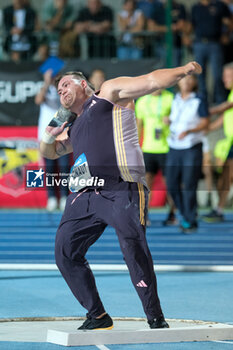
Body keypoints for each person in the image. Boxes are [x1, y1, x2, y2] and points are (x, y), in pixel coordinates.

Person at [40, 61, 202, 330]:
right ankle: (98, 315)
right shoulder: (75, 125)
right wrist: (49, 133)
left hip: (121, 188)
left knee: (133, 249)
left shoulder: (109, 93)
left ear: (83, 84)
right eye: (58, 91)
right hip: (85, 194)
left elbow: (151, 81)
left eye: (65, 85)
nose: (61, 92)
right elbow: (50, 152)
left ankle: (155, 316)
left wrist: (182, 70)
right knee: (65, 252)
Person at [165, 75, 209, 233]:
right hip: (173, 146)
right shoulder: (174, 98)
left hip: (191, 146)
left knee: (189, 185)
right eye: (184, 79)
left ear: (195, 82)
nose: (187, 82)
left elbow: (205, 122)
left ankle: (190, 220)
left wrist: (190, 130)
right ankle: (187, 214)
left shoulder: (199, 99)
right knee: (171, 184)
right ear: (179, 82)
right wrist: (168, 121)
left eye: (191, 79)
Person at [135, 89, 177, 225]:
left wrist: (171, 121)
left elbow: (179, 120)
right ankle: (144, 215)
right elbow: (139, 125)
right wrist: (135, 148)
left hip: (167, 148)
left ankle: (172, 214)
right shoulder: (142, 101)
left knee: (170, 183)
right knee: (146, 184)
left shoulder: (170, 98)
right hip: (148, 149)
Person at [203, 62, 233, 222]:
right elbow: (225, 117)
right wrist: (207, 128)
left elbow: (225, 108)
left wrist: (203, 110)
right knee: (226, 176)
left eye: (228, 76)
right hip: (231, 142)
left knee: (227, 175)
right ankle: (219, 209)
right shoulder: (231, 93)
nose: (224, 79)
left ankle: (219, 209)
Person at [36, 69, 69, 211]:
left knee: (63, 167)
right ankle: (51, 198)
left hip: (62, 135)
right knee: (49, 169)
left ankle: (64, 197)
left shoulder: (64, 91)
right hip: (45, 136)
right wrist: (45, 83)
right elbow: (38, 100)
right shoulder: (44, 89)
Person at [190, 0, 232, 103]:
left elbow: (229, 22)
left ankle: (220, 102)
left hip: (215, 43)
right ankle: (202, 103)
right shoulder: (196, 7)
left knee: (218, 75)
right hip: (199, 43)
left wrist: (227, 34)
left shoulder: (219, 5)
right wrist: (186, 36)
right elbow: (190, 26)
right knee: (200, 75)